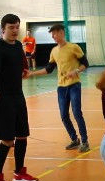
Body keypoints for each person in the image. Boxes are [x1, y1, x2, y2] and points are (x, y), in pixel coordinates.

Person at [0, 13, 38, 181]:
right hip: (3, 98)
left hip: (18, 96)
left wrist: (24, 71)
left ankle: (19, 173)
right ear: (3, 29)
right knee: (7, 140)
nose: (15, 30)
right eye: (11, 27)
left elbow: (21, 64)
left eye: (17, 27)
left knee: (22, 135)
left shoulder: (18, 46)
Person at [28, 23, 90, 152]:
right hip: (61, 87)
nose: (53, 36)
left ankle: (85, 141)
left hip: (74, 85)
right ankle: (74, 139)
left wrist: (76, 71)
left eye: (55, 33)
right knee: (63, 115)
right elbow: (49, 69)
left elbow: (85, 64)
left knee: (77, 113)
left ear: (62, 33)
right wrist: (32, 73)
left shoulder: (74, 47)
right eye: (51, 34)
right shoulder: (54, 51)